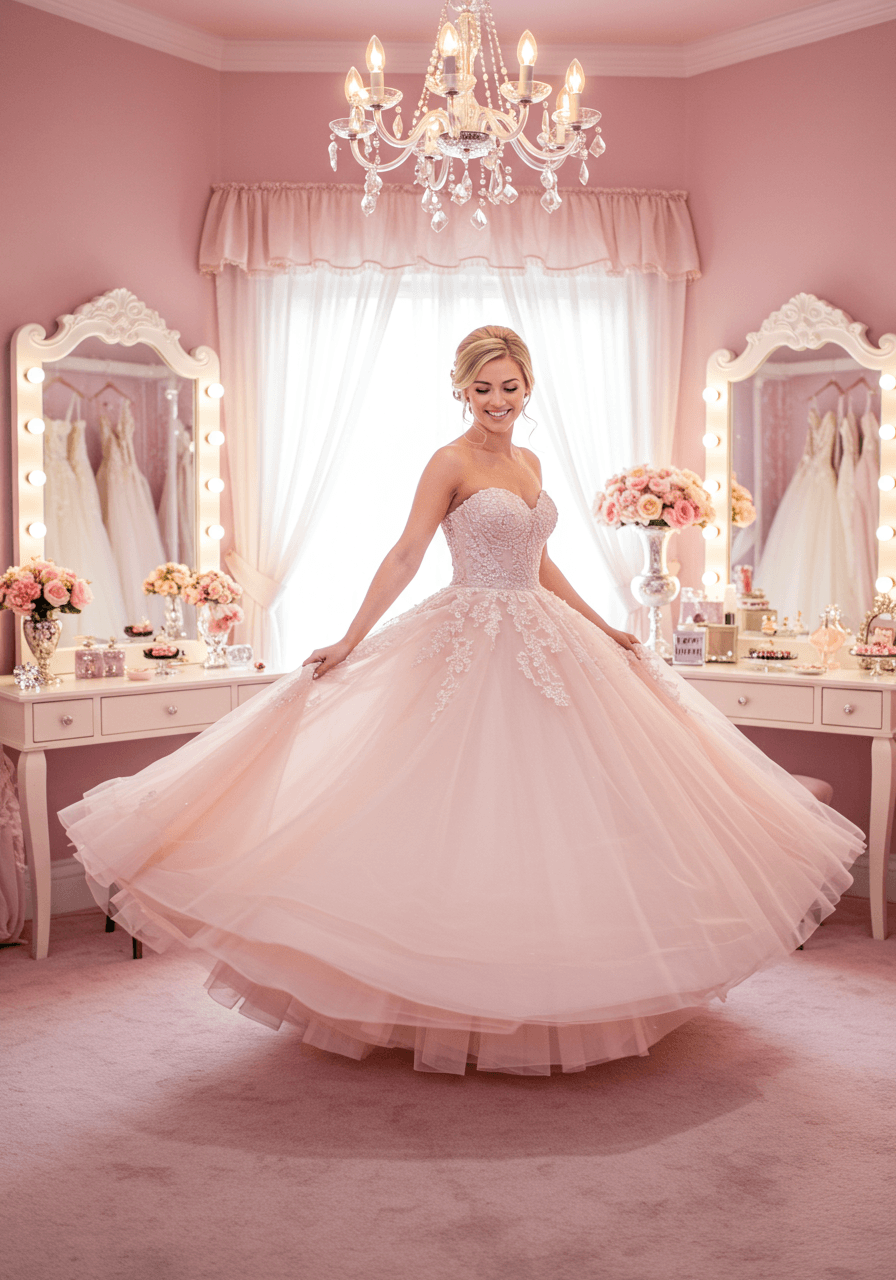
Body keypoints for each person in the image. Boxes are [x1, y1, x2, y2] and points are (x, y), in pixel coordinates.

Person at [60, 326, 863, 1077]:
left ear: (527, 387)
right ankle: (427, 994)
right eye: (484, 389)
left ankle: (556, 976)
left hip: (546, 637)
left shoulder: (533, 466)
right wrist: (347, 637)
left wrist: (604, 626)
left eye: (511, 387)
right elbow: (407, 552)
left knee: (568, 809)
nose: (499, 401)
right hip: (465, 633)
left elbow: (540, 563)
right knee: (444, 807)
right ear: (462, 391)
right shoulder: (448, 461)